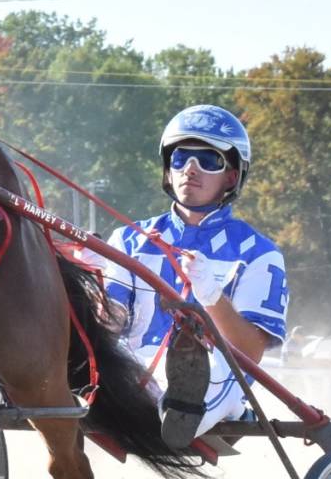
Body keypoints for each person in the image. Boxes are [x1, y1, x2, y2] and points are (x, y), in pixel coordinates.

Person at [91, 106, 288, 447]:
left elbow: (249, 350)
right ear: (168, 169)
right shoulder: (128, 240)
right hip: (135, 366)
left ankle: (183, 407)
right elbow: (113, 321)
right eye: (181, 157)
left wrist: (210, 294)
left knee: (213, 372)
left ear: (231, 176)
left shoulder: (259, 253)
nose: (190, 170)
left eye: (208, 160)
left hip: (219, 371)